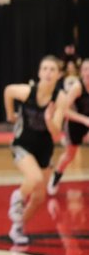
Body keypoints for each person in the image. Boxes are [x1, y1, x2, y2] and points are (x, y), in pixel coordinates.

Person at [4, 55, 73, 245]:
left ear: (59, 75)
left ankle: (17, 228)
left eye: (52, 70)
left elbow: (56, 131)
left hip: (44, 148)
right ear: (39, 72)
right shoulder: (28, 92)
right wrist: (10, 114)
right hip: (22, 144)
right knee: (33, 179)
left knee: (39, 197)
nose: (48, 73)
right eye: (45, 69)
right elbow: (8, 91)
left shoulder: (60, 98)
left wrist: (49, 119)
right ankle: (17, 198)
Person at [48, 59, 89, 195]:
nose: (88, 72)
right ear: (81, 72)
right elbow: (64, 110)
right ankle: (56, 176)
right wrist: (84, 120)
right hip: (75, 123)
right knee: (69, 155)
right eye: (85, 69)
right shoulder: (77, 88)